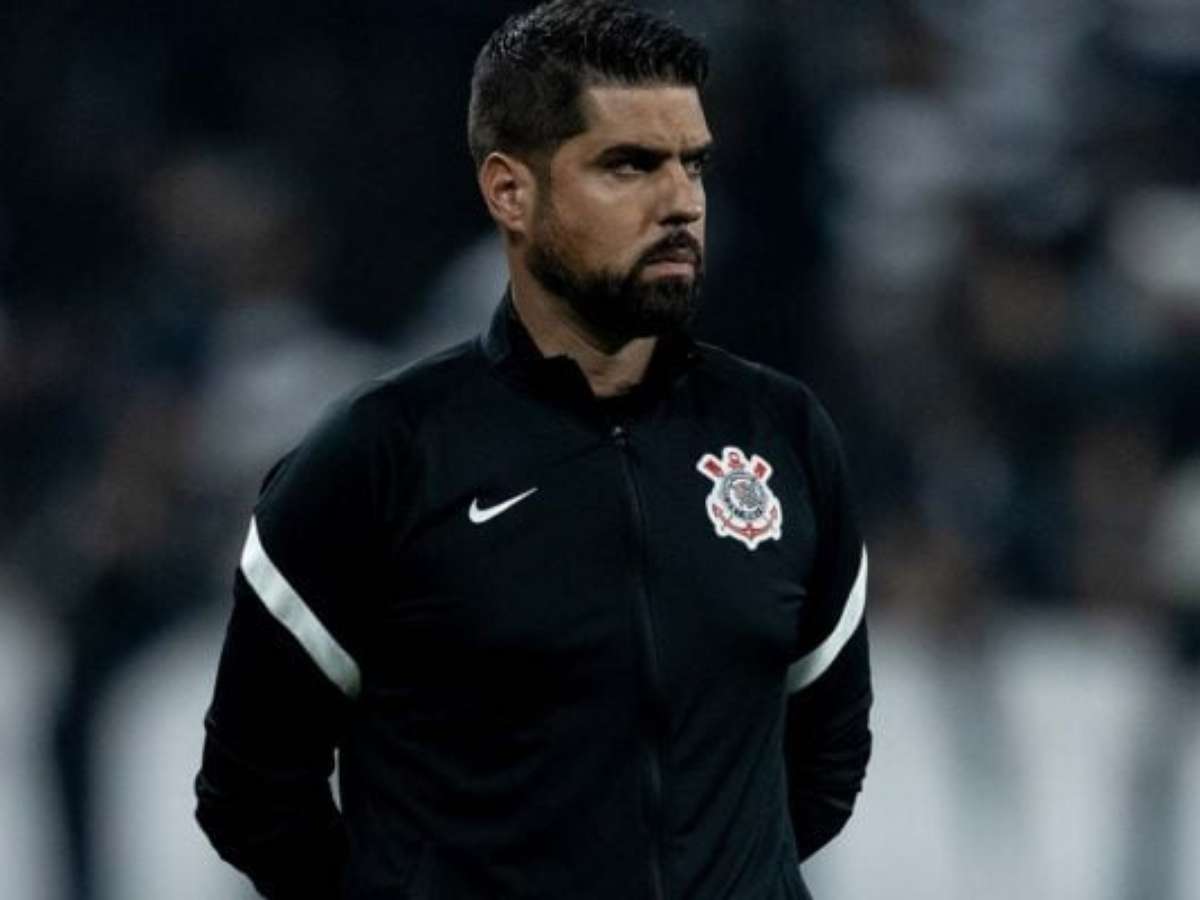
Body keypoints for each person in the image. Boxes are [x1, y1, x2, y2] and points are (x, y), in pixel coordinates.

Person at [194, 2, 872, 898]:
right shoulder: (381, 455)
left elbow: (827, 760)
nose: (680, 202)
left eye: (692, 163)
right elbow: (249, 791)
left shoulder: (781, 435)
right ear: (511, 192)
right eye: (629, 165)